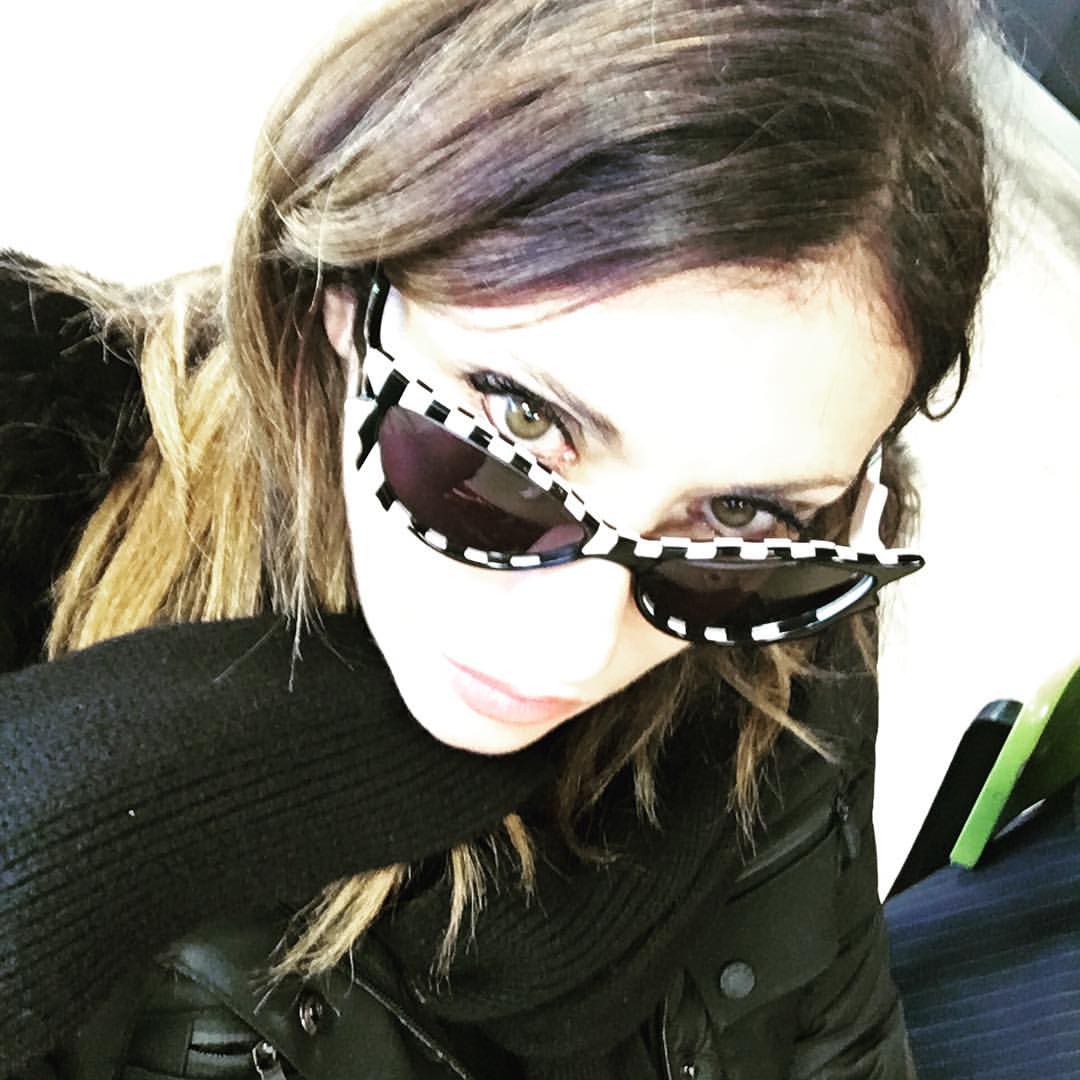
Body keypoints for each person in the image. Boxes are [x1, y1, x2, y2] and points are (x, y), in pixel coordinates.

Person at [0, 1, 993, 1077]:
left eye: (737, 516)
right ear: (347, 292)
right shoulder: (33, 514)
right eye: (517, 426)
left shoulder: (781, 625)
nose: (569, 651)